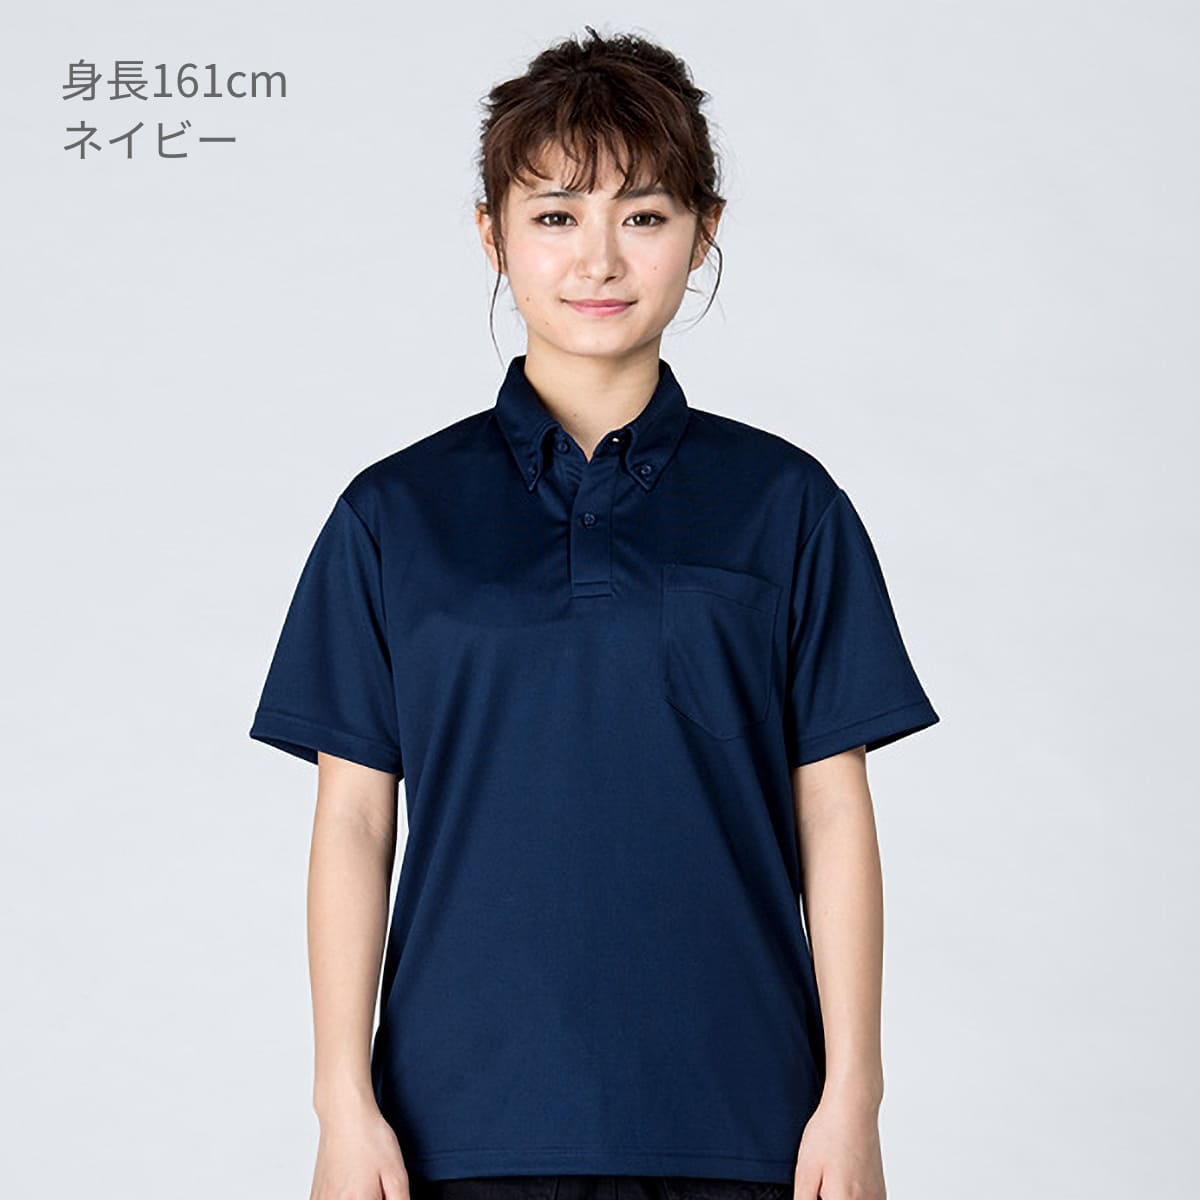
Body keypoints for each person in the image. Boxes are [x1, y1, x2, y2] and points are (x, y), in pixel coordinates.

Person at [249, 26, 940, 1200]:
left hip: (744, 1121)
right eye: (557, 215)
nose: (600, 259)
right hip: (457, 1127)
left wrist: (853, 1102)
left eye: (646, 215)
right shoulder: (394, 515)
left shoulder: (786, 505)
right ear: (492, 235)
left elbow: (832, 813)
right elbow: (354, 822)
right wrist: (342, 1108)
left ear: (704, 231)